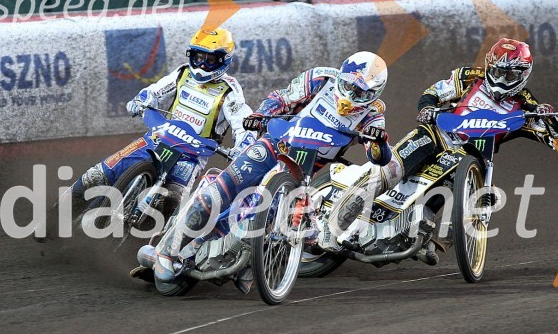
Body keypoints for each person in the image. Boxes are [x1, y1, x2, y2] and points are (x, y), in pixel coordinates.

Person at [141, 51, 394, 288]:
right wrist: (262, 114)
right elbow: (282, 97)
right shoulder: (321, 78)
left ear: (375, 94)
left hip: (303, 171)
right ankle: (167, 251)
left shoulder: (373, 116)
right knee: (222, 190)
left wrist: (378, 141)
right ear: (341, 77)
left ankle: (234, 259)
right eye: (349, 86)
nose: (352, 95)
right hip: (274, 145)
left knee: (261, 216)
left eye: (361, 93)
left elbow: (378, 157)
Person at [332, 37, 558, 264]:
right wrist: (428, 109)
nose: (500, 78)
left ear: (522, 75)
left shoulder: (526, 102)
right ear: (489, 64)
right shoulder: (468, 77)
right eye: (497, 71)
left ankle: (429, 239)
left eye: (508, 74)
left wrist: (549, 118)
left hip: (469, 157)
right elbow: (433, 92)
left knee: (484, 197)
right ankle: (342, 222)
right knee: (392, 168)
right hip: (437, 135)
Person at [39, 27, 254, 240]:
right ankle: (52, 221)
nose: (202, 65)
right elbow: (155, 91)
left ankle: (138, 244)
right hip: (156, 138)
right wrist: (141, 100)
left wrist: (243, 145)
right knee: (96, 175)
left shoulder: (230, 92)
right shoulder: (182, 74)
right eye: (198, 57)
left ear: (224, 60)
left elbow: (243, 122)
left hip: (191, 156)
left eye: (210, 60)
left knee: (172, 200)